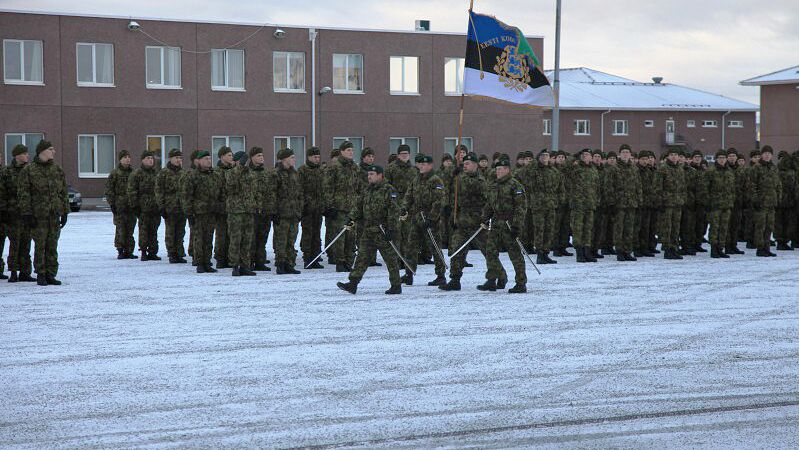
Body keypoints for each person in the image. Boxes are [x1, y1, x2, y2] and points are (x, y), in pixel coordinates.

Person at [336, 165, 402, 295]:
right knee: (362, 258)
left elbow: (394, 211)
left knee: (390, 259)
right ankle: (353, 283)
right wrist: (351, 218)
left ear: (380, 175)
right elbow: (359, 207)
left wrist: (392, 229)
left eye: (372, 174)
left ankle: (396, 285)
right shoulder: (367, 190)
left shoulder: (388, 190)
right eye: (368, 174)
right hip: (368, 230)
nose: (369, 177)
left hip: (383, 230)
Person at [17, 140, 69, 286]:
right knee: (40, 245)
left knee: (52, 245)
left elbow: (63, 192)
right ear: (42, 151)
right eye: (51, 149)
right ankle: (41, 273)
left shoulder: (57, 170)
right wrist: (26, 214)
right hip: (38, 216)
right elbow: (23, 193)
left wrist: (65, 212)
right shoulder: (29, 170)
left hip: (54, 215)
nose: (54, 151)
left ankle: (51, 274)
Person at [400, 154, 448, 286]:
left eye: (425, 164)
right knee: (411, 247)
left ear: (431, 165)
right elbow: (409, 195)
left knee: (434, 246)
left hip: (430, 219)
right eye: (420, 164)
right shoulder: (416, 179)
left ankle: (441, 275)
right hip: (416, 217)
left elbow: (439, 201)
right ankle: (409, 273)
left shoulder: (435, 180)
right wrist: (404, 208)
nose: (422, 166)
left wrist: (432, 218)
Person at [481, 157, 528, 293]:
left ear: (507, 170)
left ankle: (521, 283)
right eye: (496, 169)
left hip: (509, 223)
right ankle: (492, 279)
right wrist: (485, 218)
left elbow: (521, 207)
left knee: (515, 254)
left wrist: (517, 226)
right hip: (496, 223)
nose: (498, 171)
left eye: (500, 169)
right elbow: (490, 205)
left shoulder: (515, 185)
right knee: (490, 251)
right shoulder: (494, 186)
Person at [323, 141, 361, 272]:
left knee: (351, 236)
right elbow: (327, 188)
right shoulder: (334, 167)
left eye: (352, 149)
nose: (351, 152)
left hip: (353, 207)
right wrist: (329, 206)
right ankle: (340, 261)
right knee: (340, 236)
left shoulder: (355, 168)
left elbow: (360, 187)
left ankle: (349, 261)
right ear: (342, 152)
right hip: (339, 207)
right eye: (348, 150)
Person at [184, 151, 225, 273]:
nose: (208, 160)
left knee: (209, 238)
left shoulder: (215, 175)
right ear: (199, 161)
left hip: (212, 211)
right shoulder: (192, 176)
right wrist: (189, 212)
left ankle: (207, 261)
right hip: (199, 212)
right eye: (206, 158)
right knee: (199, 238)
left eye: (209, 158)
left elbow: (221, 193)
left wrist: (220, 207)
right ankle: (200, 262)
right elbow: (187, 196)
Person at [0, 144, 35, 282]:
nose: (27, 155)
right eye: (24, 153)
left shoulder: (31, 171)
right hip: (12, 214)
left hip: (27, 213)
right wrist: (3, 211)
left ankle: (25, 272)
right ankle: (13, 271)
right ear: (17, 155)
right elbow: (2, 193)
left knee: (26, 243)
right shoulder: (7, 172)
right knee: (15, 243)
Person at [607, 144, 643, 261]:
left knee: (629, 228)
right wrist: (611, 203)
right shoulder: (614, 168)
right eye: (623, 152)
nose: (625, 154)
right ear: (619, 154)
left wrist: (639, 201)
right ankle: (620, 251)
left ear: (630, 154)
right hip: (619, 203)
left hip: (631, 203)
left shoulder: (634, 169)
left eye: (627, 152)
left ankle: (627, 251)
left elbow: (638, 186)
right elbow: (608, 187)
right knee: (619, 229)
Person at [225, 150, 257, 276]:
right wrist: (239, 167)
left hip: (248, 210)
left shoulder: (250, 173)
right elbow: (231, 183)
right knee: (235, 239)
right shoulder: (230, 173)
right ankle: (235, 265)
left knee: (247, 239)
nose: (245, 162)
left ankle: (245, 265)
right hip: (235, 210)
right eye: (242, 160)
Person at [273, 148, 303, 274]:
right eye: (291, 157)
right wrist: (274, 212)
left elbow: (299, 193)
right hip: (282, 213)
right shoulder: (276, 174)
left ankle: (289, 264)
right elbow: (271, 195)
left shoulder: (294, 174)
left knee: (291, 240)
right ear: (284, 159)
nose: (294, 160)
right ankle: (280, 264)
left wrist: (299, 209)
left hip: (293, 213)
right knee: (281, 240)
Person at [654, 147, 687, 259]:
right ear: (668, 156)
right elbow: (657, 187)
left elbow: (683, 187)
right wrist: (660, 202)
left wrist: (683, 199)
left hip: (677, 203)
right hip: (667, 203)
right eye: (671, 154)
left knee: (676, 227)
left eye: (676, 154)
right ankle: (667, 249)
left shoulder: (680, 169)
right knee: (667, 227)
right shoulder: (663, 169)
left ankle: (674, 248)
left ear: (678, 157)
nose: (674, 156)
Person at [128, 150, 161, 261]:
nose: (150, 160)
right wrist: (135, 206)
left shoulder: (157, 173)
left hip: (155, 207)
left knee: (154, 230)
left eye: (151, 158)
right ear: (142, 160)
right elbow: (132, 191)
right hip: (143, 207)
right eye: (148, 158)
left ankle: (153, 252)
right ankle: (143, 251)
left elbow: (161, 190)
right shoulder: (137, 174)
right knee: (144, 230)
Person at [155, 148, 187, 263]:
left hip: (181, 207)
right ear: (171, 159)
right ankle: (172, 253)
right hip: (170, 207)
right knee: (170, 232)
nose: (179, 160)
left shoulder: (184, 173)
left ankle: (179, 253)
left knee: (180, 231)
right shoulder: (163, 173)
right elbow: (159, 191)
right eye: (176, 158)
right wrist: (161, 206)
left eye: (180, 158)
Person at [750, 145, 781, 257]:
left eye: (769, 153)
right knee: (760, 226)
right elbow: (752, 185)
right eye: (765, 153)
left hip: (771, 202)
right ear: (762, 155)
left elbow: (778, 185)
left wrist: (778, 198)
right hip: (761, 202)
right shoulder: (756, 168)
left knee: (769, 227)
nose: (767, 155)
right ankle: (760, 248)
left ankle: (767, 247)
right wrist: (755, 199)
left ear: (772, 155)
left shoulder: (774, 168)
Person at [105, 150, 137, 259]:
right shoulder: (115, 173)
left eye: (129, 157)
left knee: (130, 228)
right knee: (120, 229)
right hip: (119, 205)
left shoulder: (134, 173)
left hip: (131, 205)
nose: (127, 159)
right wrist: (112, 205)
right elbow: (109, 190)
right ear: (120, 159)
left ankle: (129, 250)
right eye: (125, 157)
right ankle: (120, 250)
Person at [705, 150, 735, 258]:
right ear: (716, 159)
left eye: (723, 157)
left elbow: (732, 189)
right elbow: (705, 189)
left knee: (724, 227)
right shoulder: (711, 171)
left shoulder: (729, 171)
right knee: (715, 227)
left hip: (726, 205)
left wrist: (731, 200)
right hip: (715, 205)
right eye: (720, 158)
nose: (722, 160)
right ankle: (714, 248)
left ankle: (720, 248)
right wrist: (708, 202)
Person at [299, 147, 325, 269]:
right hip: (307, 208)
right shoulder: (303, 170)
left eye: (318, 157)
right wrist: (303, 205)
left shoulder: (321, 171)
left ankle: (315, 257)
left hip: (318, 208)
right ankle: (307, 258)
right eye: (315, 157)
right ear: (309, 157)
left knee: (317, 233)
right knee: (307, 233)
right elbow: (299, 190)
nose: (317, 159)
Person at [214, 147, 235, 269]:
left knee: (232, 235)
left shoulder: (234, 170)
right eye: (228, 155)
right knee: (221, 235)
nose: (231, 157)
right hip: (221, 207)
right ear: (221, 157)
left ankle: (230, 257)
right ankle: (220, 258)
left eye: (231, 155)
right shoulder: (216, 172)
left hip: (233, 207)